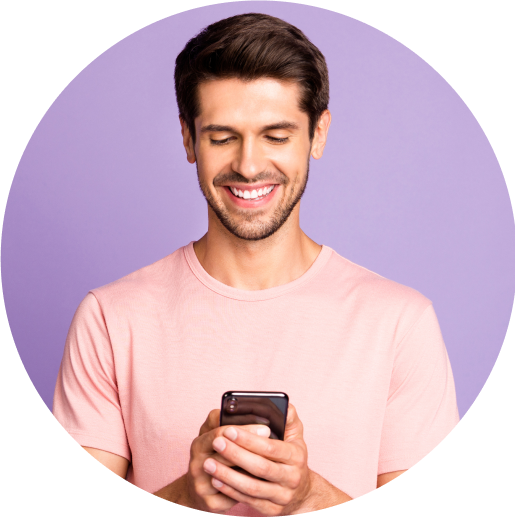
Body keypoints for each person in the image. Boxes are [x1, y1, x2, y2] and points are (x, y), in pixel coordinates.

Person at [52, 13, 460, 515]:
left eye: (276, 136)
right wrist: (189, 494)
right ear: (187, 138)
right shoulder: (110, 319)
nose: (248, 165)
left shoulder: (400, 323)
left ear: (318, 133)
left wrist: (309, 495)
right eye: (222, 137)